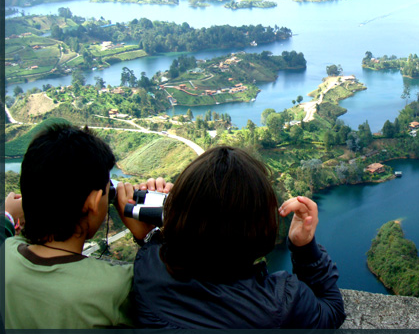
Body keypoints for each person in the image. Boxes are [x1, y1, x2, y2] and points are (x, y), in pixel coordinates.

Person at [133, 145, 346, 329]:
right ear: (261, 228)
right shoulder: (281, 304)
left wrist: (168, 218)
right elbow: (332, 311)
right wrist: (304, 247)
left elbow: (159, 248)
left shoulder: (148, 267)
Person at [1, 122, 170, 329]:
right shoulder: (119, 286)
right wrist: (151, 235)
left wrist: (10, 214)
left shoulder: (6, 253)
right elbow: (182, 289)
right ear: (92, 202)